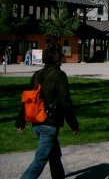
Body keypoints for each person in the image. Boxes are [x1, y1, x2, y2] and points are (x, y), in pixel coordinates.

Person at [16, 42, 79, 179]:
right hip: (49, 124)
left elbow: (28, 99)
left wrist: (20, 121)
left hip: (36, 122)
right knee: (40, 159)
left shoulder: (37, 74)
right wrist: (74, 124)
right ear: (57, 58)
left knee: (54, 154)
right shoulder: (60, 76)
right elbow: (65, 102)